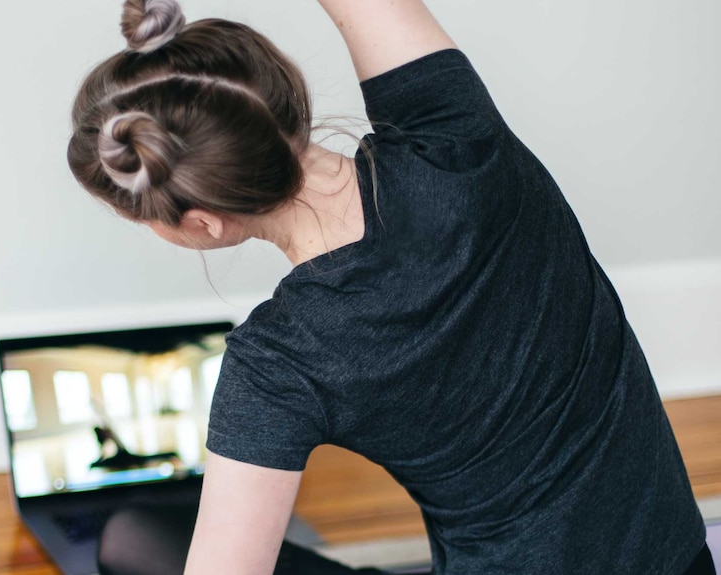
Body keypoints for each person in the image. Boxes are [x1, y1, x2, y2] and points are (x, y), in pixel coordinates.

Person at [67, 1, 714, 573]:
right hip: (678, 555)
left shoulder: (277, 361)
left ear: (202, 223)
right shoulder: (457, 132)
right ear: (282, 89)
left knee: (134, 539)